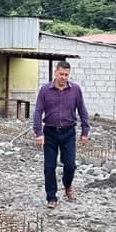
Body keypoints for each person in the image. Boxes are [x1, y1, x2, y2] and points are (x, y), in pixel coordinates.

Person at [32, 61, 90, 208]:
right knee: (49, 166)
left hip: (68, 132)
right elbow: (38, 111)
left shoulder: (75, 90)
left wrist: (85, 131)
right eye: (61, 74)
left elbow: (82, 110)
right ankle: (51, 197)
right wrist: (38, 132)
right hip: (50, 132)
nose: (64, 77)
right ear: (55, 73)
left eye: (66, 75)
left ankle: (67, 185)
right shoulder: (45, 90)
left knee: (70, 165)